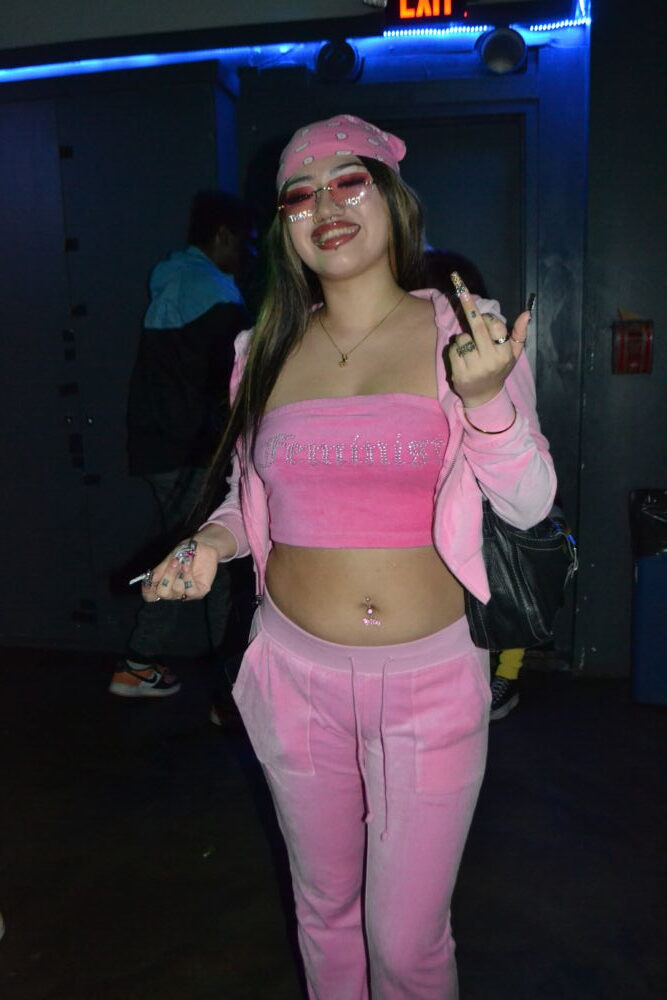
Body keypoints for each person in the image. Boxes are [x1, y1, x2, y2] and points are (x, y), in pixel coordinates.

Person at [142, 115, 556, 996]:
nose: (323, 206)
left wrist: (486, 400)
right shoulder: (261, 348)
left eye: (347, 183)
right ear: (283, 227)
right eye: (299, 195)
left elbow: (529, 502)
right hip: (293, 677)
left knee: (405, 945)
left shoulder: (463, 329)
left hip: (430, 681)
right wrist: (210, 543)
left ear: (393, 200)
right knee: (324, 913)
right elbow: (251, 497)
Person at [109, 191, 253, 698]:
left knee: (187, 550)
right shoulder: (216, 294)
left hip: (157, 446)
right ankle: (224, 682)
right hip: (191, 449)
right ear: (222, 236)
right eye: (244, 243)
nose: (246, 255)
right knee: (209, 558)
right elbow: (227, 389)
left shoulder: (173, 281)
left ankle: (142, 663)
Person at [422, 249, 527, 722]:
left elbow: (524, 435)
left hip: (495, 486)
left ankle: (508, 671)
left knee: (506, 576)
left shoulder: (492, 339)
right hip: (452, 499)